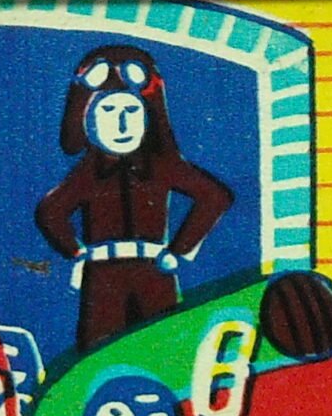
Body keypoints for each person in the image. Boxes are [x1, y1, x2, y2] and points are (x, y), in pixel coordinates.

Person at [33, 45, 235, 354]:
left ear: (147, 117)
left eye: (130, 111)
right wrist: (77, 252)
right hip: (102, 276)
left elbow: (215, 197)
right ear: (89, 120)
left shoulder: (162, 166)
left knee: (162, 349)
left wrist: (179, 250)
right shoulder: (90, 171)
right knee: (100, 352)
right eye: (109, 112)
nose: (121, 124)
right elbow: (51, 211)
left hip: (155, 270)